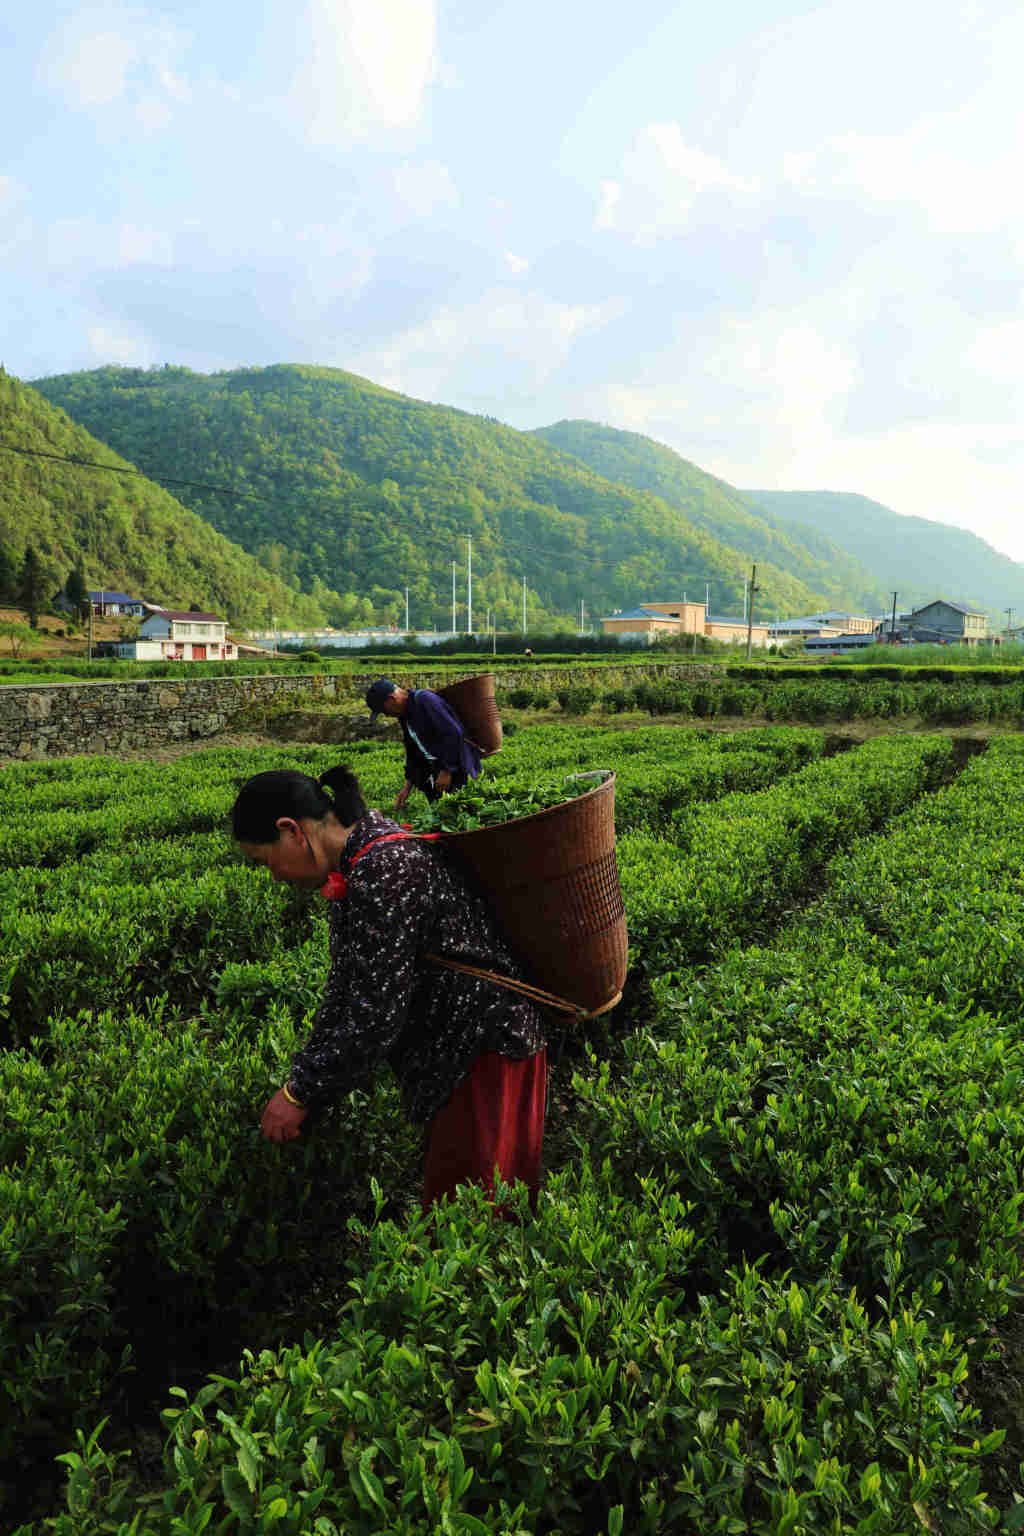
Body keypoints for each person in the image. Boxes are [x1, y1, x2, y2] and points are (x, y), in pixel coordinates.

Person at [232, 765, 547, 1210]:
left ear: (291, 831)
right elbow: (344, 990)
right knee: (483, 1216)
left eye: (265, 861)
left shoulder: (384, 867)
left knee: (474, 1223)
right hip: (470, 1056)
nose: (275, 877)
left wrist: (300, 1092)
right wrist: (299, 1082)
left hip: (482, 1053)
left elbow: (375, 1016)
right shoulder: (360, 860)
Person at [365, 678, 481, 806]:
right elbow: (413, 751)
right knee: (441, 816)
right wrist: (406, 788)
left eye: (384, 711)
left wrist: (446, 771)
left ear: (392, 700)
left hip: (457, 771)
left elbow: (453, 734)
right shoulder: (405, 716)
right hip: (437, 772)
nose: (386, 715)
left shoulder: (425, 701)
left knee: (463, 811)